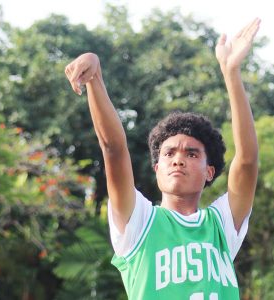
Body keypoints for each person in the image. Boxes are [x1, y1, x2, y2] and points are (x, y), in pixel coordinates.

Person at [65, 18, 260, 299]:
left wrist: (231, 72)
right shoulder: (139, 222)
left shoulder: (221, 226)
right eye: (169, 153)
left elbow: (247, 161)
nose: (178, 160)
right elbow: (113, 150)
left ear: (209, 171)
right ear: (157, 168)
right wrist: (94, 76)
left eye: (192, 153)